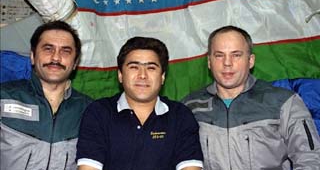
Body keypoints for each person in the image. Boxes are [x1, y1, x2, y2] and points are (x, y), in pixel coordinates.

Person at [183, 25, 320, 169]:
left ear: (251, 61)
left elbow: (311, 160)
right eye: (219, 55)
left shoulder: (285, 102)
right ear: (209, 62)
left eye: (236, 55)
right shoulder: (188, 107)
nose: (227, 63)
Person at [76, 37, 203, 170]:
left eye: (151, 68)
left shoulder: (180, 116)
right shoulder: (99, 112)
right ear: (120, 75)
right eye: (134, 67)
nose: (142, 75)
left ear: (163, 77)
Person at [0, 21, 93, 170]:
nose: (56, 58)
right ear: (32, 56)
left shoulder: (90, 111)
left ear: (75, 62)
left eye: (65, 51)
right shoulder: (3, 97)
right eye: (48, 49)